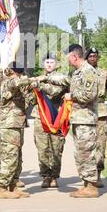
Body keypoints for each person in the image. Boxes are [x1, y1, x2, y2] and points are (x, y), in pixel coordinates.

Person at [45, 44, 99, 198]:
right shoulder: (77, 73)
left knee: (86, 153)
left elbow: (89, 95)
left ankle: (92, 187)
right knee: (81, 153)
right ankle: (87, 184)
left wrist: (71, 95)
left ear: (75, 56)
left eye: (68, 57)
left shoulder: (88, 72)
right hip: (78, 119)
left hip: (86, 120)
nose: (67, 60)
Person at [31, 53, 69, 188]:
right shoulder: (37, 78)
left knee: (56, 148)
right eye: (46, 62)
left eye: (51, 62)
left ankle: (54, 176)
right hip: (40, 117)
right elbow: (30, 98)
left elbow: (54, 91)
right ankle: (45, 176)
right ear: (43, 64)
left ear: (57, 64)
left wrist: (40, 84)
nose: (49, 64)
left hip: (56, 117)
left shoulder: (61, 77)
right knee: (42, 148)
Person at [0, 62, 32, 199]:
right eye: (18, 72)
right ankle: (3, 188)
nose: (19, 74)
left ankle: (13, 186)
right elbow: (15, 83)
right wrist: (34, 79)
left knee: (16, 157)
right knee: (9, 156)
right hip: (9, 124)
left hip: (18, 123)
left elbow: (28, 99)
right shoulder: (8, 82)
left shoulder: (19, 82)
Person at [86, 47, 107, 187]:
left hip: (100, 112)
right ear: (86, 57)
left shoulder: (105, 74)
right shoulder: (81, 73)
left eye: (95, 56)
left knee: (100, 145)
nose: (93, 58)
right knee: (86, 146)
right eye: (90, 56)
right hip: (85, 113)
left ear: (98, 58)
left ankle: (97, 175)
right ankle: (87, 178)